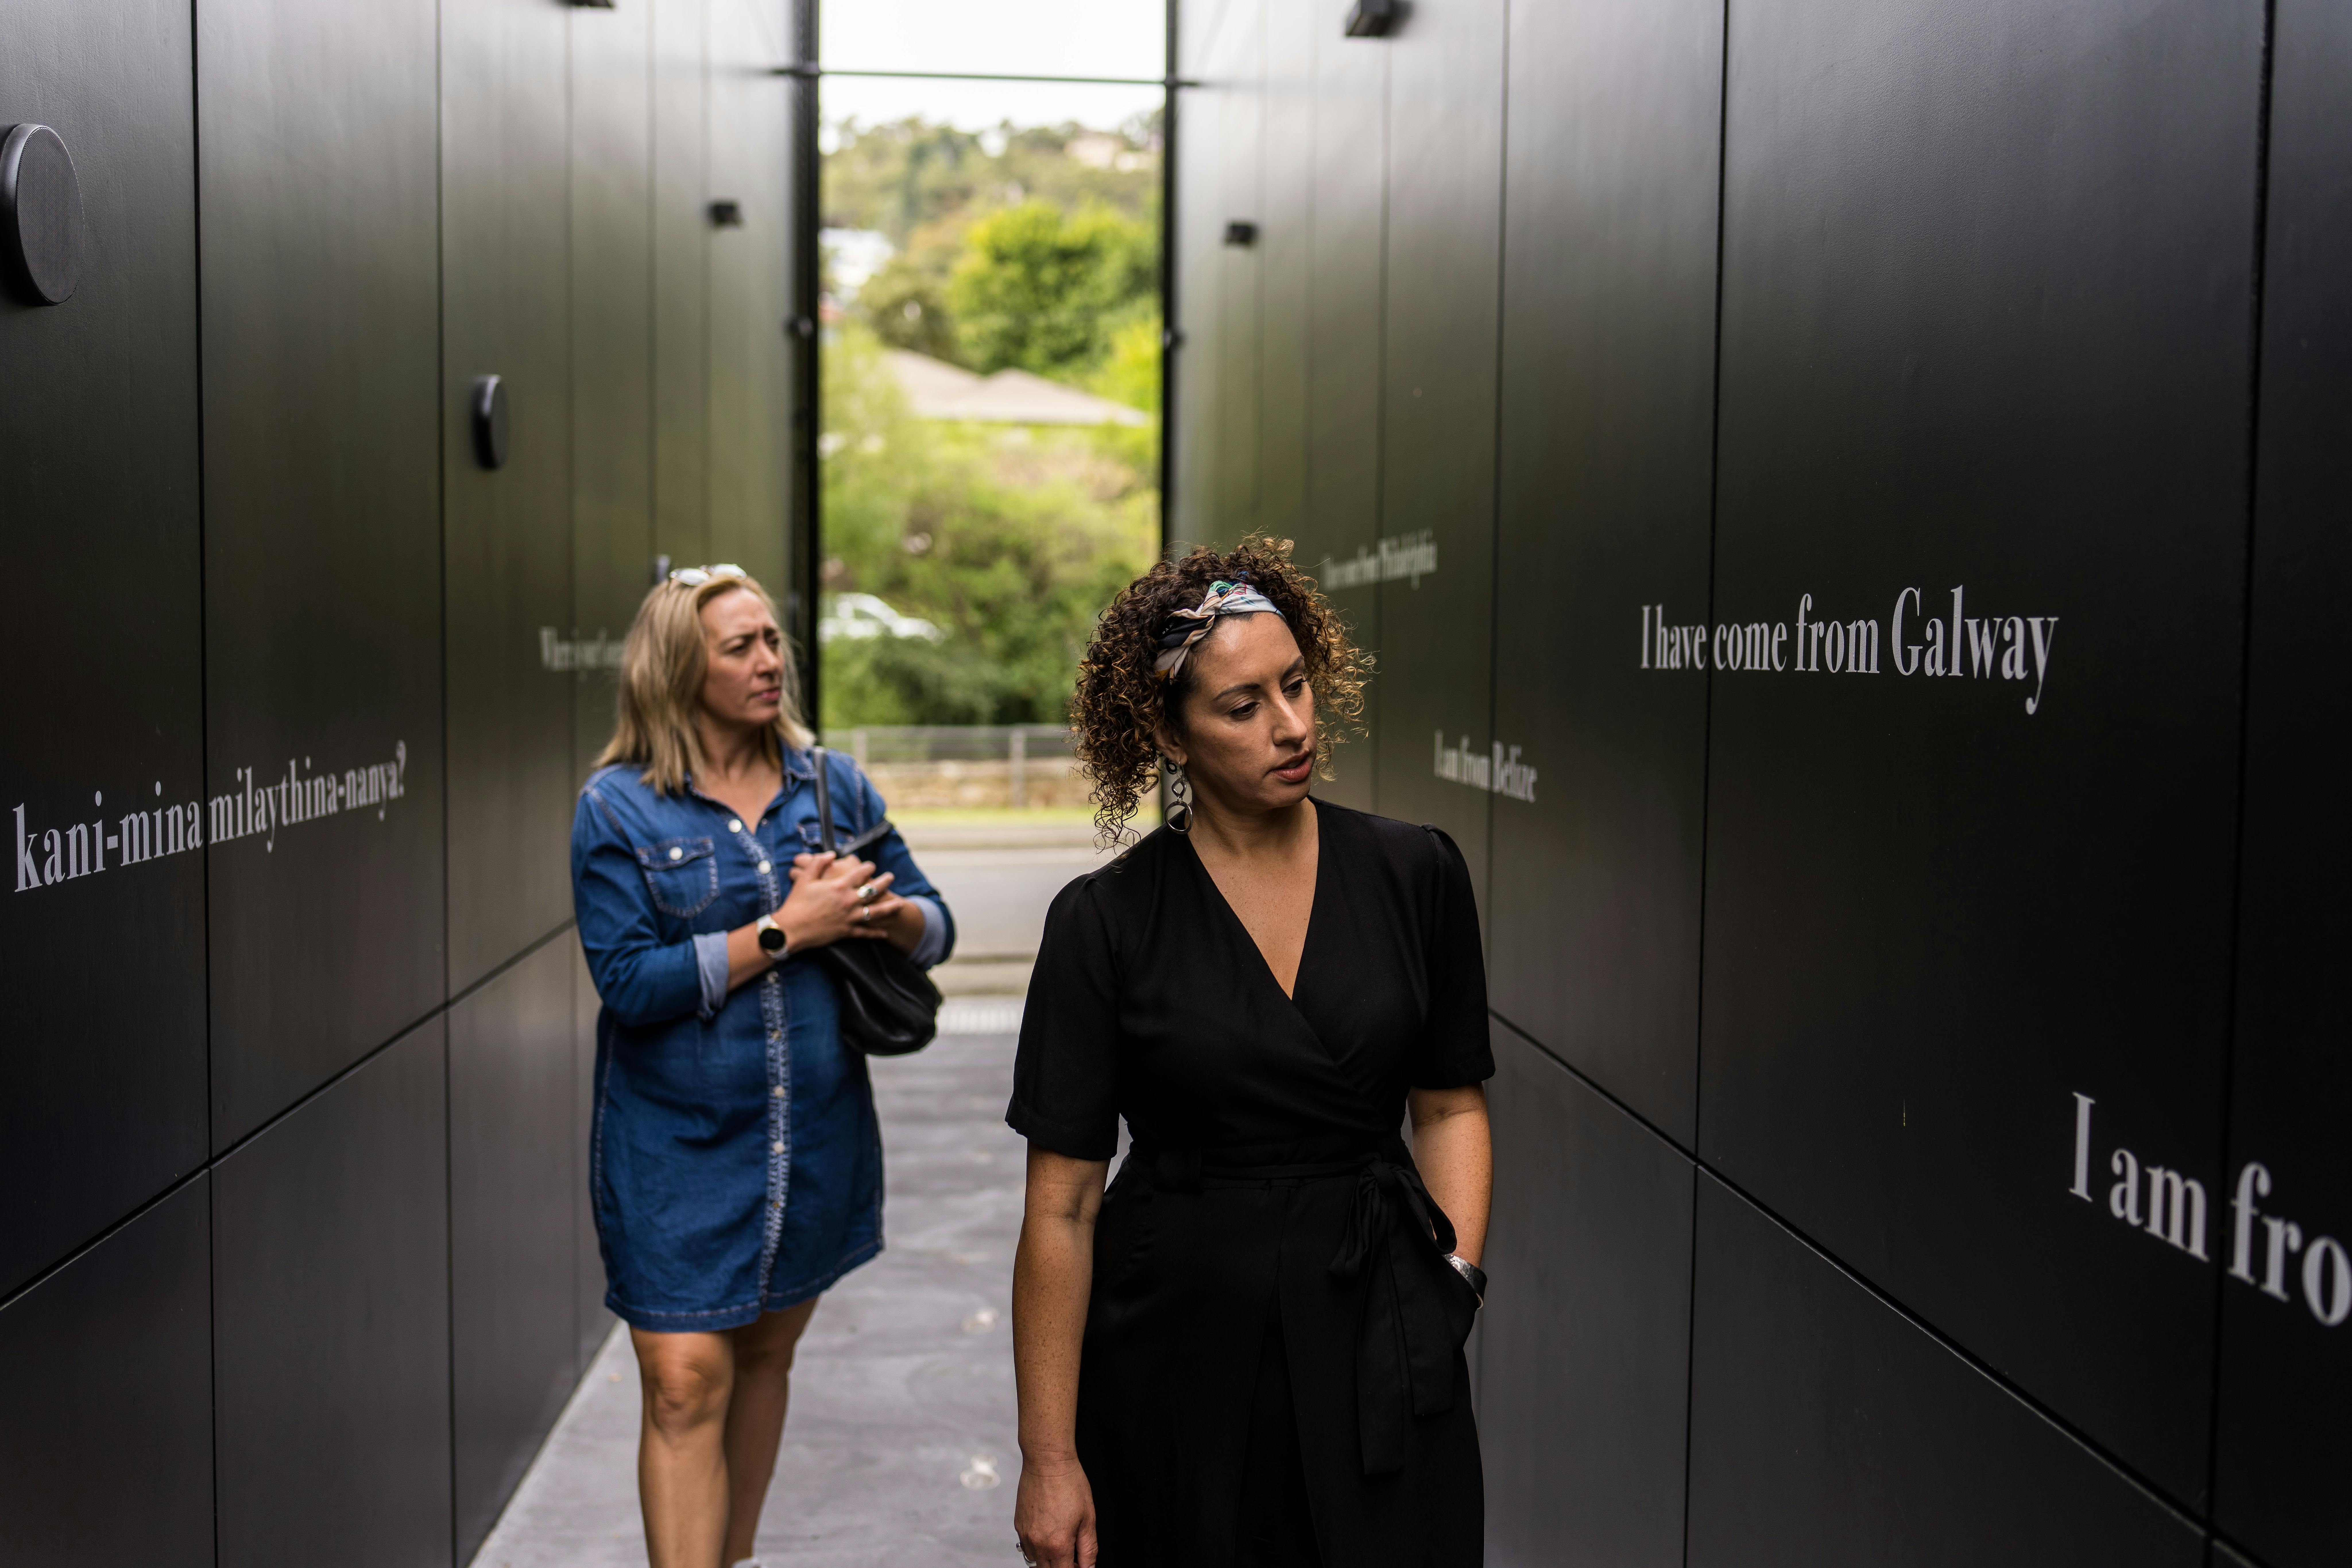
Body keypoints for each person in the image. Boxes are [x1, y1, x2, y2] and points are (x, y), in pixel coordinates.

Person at [1007, 538, 1494, 1568]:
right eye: (1243, 706)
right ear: (1170, 737)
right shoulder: (1105, 922)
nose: (1293, 725)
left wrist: (1451, 1284)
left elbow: (1450, 1106)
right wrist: (1049, 1456)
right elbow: (1061, 1205)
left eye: (1298, 686)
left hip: (1383, 1333)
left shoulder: (1417, 872)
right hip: (1176, 1349)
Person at [571, 564, 954, 1568]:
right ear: (676, 669)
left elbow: (935, 923)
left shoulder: (832, 785)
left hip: (810, 1141)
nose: (769, 660)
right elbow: (629, 984)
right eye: (739, 646)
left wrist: (874, 910)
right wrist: (786, 930)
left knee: (766, 1356)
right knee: (687, 1381)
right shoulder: (618, 810)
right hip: (674, 1152)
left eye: (772, 640)